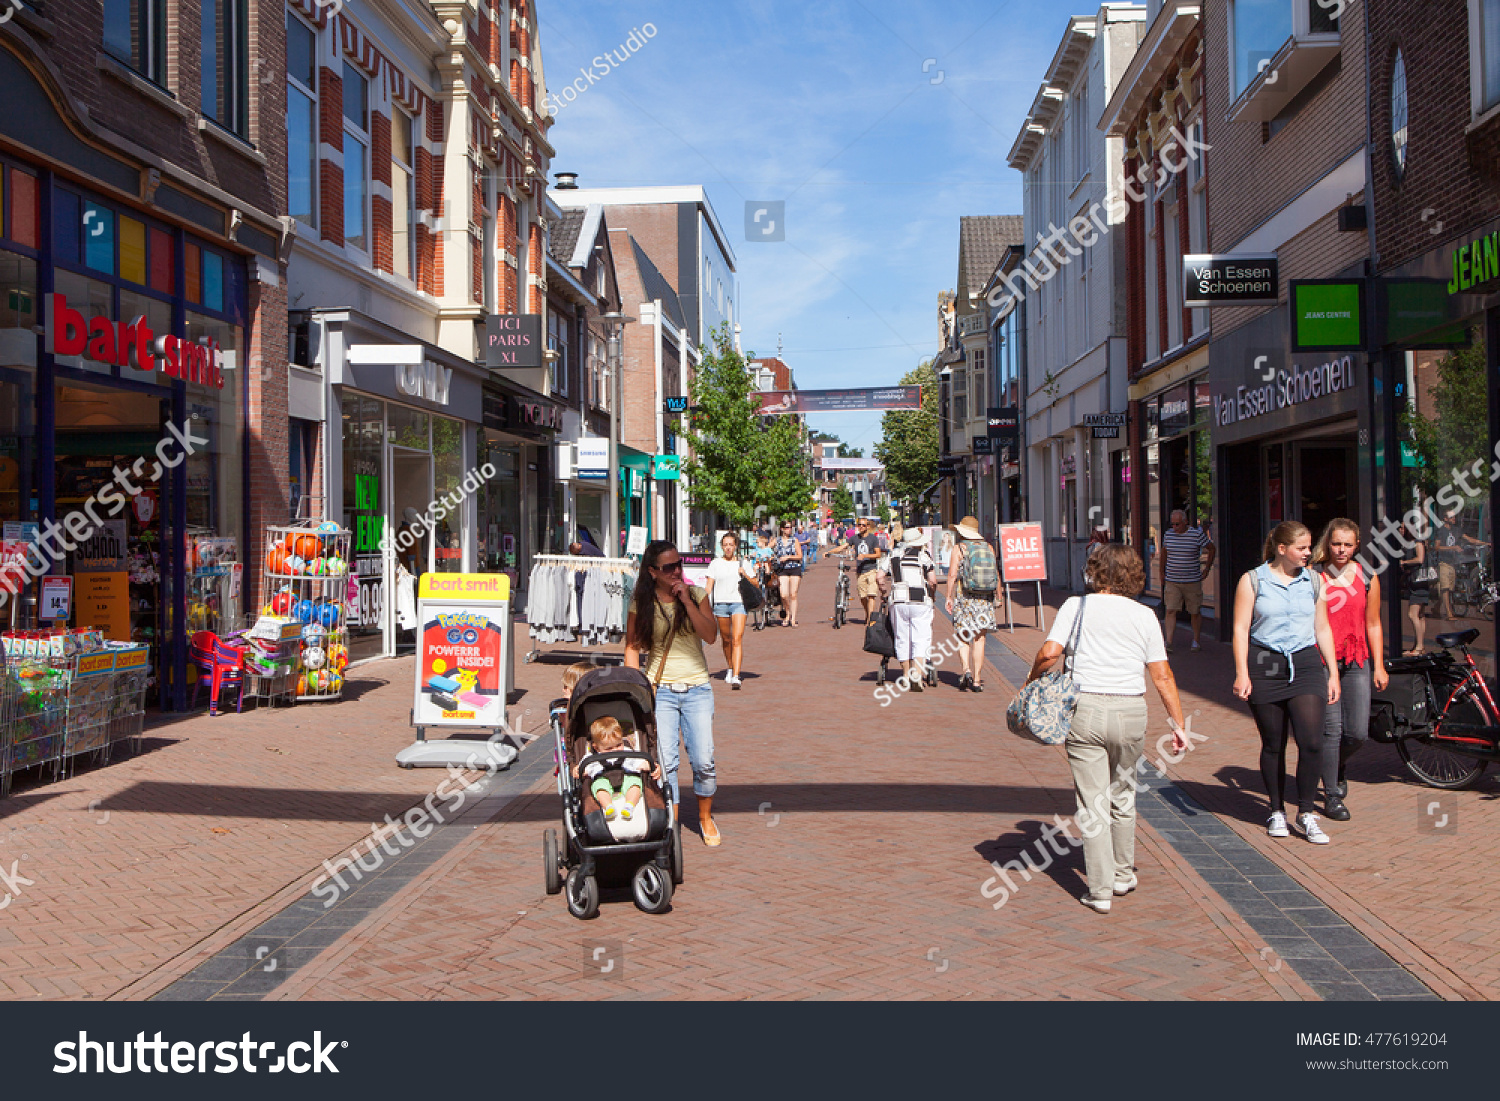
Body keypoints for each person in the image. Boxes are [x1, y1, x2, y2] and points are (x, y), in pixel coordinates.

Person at [1024, 545, 1188, 913]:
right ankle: (1123, 873)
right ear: (1134, 574)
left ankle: (1099, 890)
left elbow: (1050, 652)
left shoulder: (1075, 606)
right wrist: (1177, 723)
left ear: (1095, 571)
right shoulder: (1145, 615)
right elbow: (1161, 674)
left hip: (1085, 707)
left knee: (1091, 801)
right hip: (1130, 708)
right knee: (1123, 794)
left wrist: (1032, 678)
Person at [1231, 521, 1341, 845]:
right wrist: (1241, 671)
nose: (1309, 553)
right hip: (1266, 662)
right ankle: (1276, 810)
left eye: (1309, 547)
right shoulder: (1253, 580)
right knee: (1274, 743)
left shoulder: (1314, 581)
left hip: (1306, 662)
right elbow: (1240, 629)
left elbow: (1322, 628)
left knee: (1311, 741)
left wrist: (1332, 672)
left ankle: (1306, 812)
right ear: (1282, 549)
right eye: (1302, 548)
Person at [623, 540, 721, 846]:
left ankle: (705, 818)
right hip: (660, 690)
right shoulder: (642, 602)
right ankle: (672, 825)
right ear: (653, 572)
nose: (677, 571)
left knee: (704, 759)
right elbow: (631, 647)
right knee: (666, 764)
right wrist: (634, 687)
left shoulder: (696, 594)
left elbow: (711, 636)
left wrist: (687, 603)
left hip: (697, 688)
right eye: (669, 567)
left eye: (679, 564)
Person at [1312, 519, 1388, 823]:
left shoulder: (1367, 576)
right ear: (1328, 544)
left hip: (1357, 659)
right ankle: (1331, 794)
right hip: (1322, 661)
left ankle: (1336, 765)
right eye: (1336, 543)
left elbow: (1373, 623)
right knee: (1331, 730)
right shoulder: (1315, 576)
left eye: (1347, 544)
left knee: (1357, 732)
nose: (1341, 549)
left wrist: (1379, 665)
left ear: (1356, 545)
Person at [944, 515, 998, 692]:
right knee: (980, 639)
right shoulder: (989, 547)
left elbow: (952, 575)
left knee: (963, 636)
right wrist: (999, 596)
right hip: (984, 599)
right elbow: (995, 575)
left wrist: (948, 597)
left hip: (965, 598)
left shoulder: (960, 548)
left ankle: (966, 670)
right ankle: (977, 680)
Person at [575, 716, 659, 823]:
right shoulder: (591, 758)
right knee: (599, 788)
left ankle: (629, 805)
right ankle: (608, 806)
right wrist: (578, 771)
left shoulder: (627, 752)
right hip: (603, 778)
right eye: (609, 748)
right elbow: (582, 769)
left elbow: (640, 762)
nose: (615, 750)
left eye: (619, 745)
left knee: (635, 784)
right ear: (596, 747)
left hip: (625, 777)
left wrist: (651, 766)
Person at [884, 527, 937, 690]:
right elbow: (933, 581)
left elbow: (879, 576)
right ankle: (917, 674)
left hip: (898, 600)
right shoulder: (923, 556)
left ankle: (906, 675)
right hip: (920, 600)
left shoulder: (892, 555)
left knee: (902, 637)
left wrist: (883, 592)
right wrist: (933, 595)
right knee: (921, 638)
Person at [1158, 509, 1215, 652]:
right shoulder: (1168, 535)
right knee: (1170, 609)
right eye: (1173, 524)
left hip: (1192, 580)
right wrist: (1161, 572)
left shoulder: (1196, 535)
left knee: (1194, 611)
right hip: (1172, 580)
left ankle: (1196, 640)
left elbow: (1211, 548)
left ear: (1185, 522)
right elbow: (1164, 553)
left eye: (1177, 524)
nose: (1175, 528)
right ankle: (1169, 641)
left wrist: (1207, 568)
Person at [705, 531, 756, 689]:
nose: (728, 548)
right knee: (726, 639)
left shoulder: (743, 563)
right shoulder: (715, 564)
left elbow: (755, 583)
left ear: (735, 546)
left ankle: (736, 675)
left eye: (731, 545)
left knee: (737, 638)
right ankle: (730, 667)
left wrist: (744, 574)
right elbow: (708, 587)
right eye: (725, 545)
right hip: (720, 603)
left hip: (738, 602)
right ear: (721, 546)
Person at [1399, 523, 1430, 654]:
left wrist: (1404, 562)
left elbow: (1420, 559)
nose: (1400, 530)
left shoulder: (1417, 542)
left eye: (1402, 528)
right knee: (1420, 615)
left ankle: (1419, 647)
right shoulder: (1408, 543)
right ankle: (1419, 645)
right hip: (1416, 582)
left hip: (1419, 583)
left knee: (1412, 614)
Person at [848, 517, 883, 623]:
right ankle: (867, 613)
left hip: (871, 569)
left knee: (871, 595)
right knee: (862, 596)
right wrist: (829, 552)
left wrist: (865, 556)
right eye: (859, 525)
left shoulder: (873, 538)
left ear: (868, 526)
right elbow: (844, 546)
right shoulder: (855, 538)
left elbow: (878, 554)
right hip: (860, 571)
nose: (861, 527)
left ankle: (870, 619)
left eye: (863, 525)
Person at [772, 521, 805, 627]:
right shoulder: (776, 541)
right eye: (786, 527)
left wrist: (789, 557)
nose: (789, 529)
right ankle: (787, 613)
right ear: (781, 528)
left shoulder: (794, 540)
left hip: (794, 568)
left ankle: (793, 619)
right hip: (782, 569)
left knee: (793, 594)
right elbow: (766, 549)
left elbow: (800, 556)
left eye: (790, 527)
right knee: (783, 594)